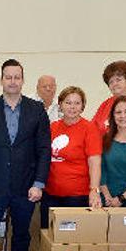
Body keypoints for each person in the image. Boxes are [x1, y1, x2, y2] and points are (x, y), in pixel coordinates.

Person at [0, 59, 51, 251]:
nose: (12, 81)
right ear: (1, 80)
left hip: (26, 187)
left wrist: (38, 183)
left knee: (21, 235)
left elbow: (44, 149)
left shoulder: (36, 110)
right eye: (8, 77)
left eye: (16, 77)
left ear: (23, 81)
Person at [41, 86, 103, 228]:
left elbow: (95, 162)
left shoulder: (89, 128)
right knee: (48, 238)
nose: (72, 107)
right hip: (50, 194)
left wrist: (94, 190)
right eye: (68, 102)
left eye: (77, 103)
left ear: (82, 106)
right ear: (61, 105)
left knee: (70, 241)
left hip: (77, 196)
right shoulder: (52, 127)